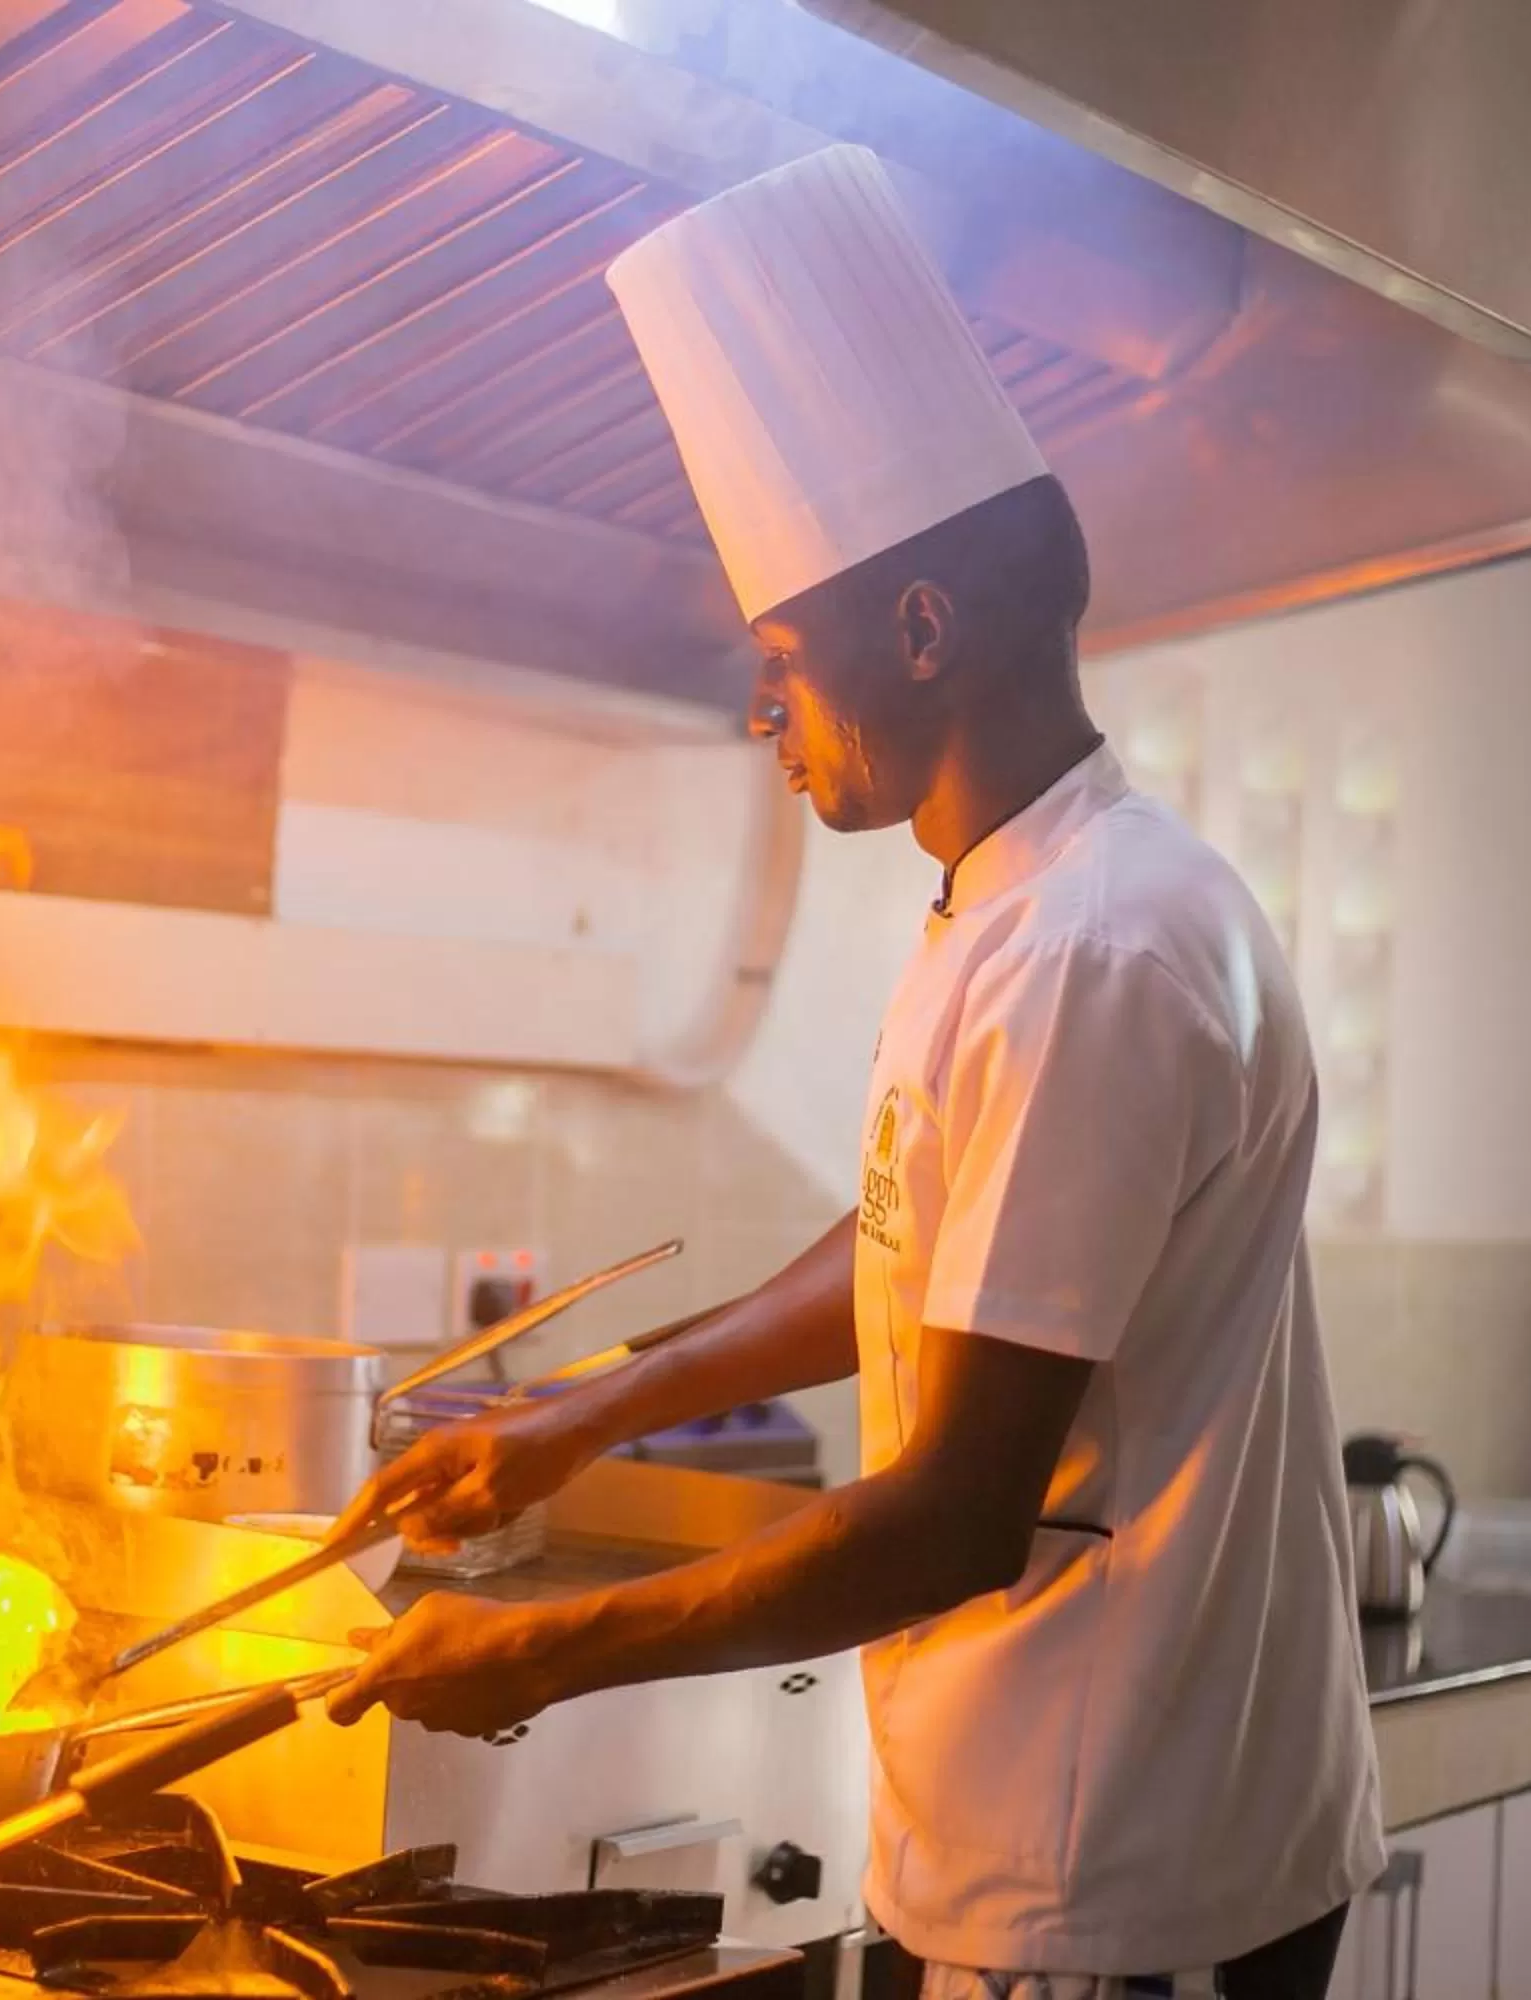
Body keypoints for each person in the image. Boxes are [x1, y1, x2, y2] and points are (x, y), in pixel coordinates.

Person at [324, 145, 1384, 1998]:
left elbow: (955, 1516)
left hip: (1113, 1876)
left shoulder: (1091, 953)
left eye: (785, 660)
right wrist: (593, 1406)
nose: (767, 718)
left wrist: (553, 1653)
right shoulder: (1012, 906)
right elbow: (923, 1243)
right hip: (1029, 1828)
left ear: (921, 629)